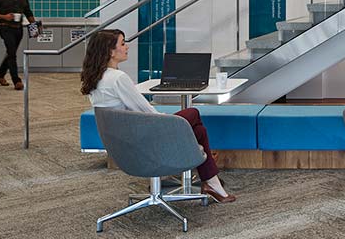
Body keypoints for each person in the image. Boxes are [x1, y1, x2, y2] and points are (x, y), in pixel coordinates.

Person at [80, 29, 236, 203]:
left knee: (197, 131)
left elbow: (131, 114)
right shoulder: (118, 78)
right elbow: (145, 110)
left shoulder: (95, 78)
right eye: (123, 43)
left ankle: (208, 174)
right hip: (144, 140)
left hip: (124, 142)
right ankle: (209, 174)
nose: (127, 47)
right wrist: (167, 121)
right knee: (193, 113)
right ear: (110, 51)